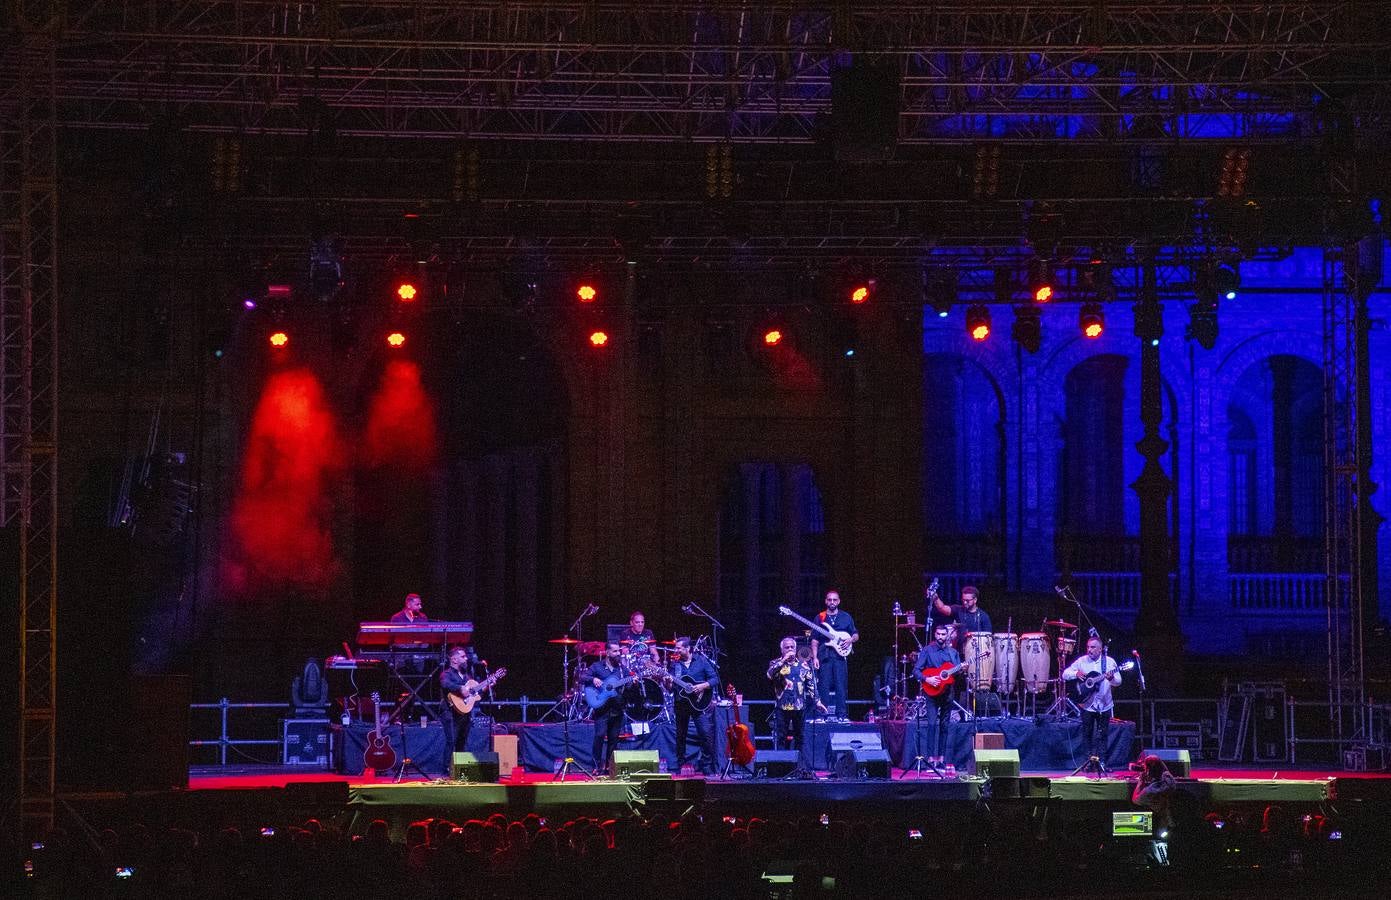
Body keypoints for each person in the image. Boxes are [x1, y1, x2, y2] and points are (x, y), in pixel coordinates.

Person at [1063, 635, 1123, 772]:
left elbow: (1119, 681)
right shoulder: (1082, 661)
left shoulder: (1109, 662)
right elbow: (1065, 674)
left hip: (1104, 705)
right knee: (1087, 734)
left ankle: (1102, 763)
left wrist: (1112, 677)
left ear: (1100, 649)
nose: (1089, 650)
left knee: (1102, 735)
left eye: (1093, 647)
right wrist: (1076, 673)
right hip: (1087, 705)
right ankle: (1088, 763)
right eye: (1088, 647)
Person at [915, 623, 969, 774]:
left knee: (945, 727)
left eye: (943, 634)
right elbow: (916, 671)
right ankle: (930, 760)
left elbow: (956, 673)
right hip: (931, 692)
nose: (940, 637)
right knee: (932, 725)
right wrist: (927, 679)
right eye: (938, 634)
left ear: (947, 636)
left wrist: (962, 669)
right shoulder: (927, 650)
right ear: (934, 635)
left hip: (947, 693)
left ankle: (942, 760)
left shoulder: (953, 652)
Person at [665, 637, 717, 775]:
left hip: (699, 704)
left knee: (705, 734)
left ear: (688, 648)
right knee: (680, 735)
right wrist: (668, 682)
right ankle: (680, 764)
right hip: (681, 704)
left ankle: (706, 766)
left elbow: (714, 679)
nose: (675, 650)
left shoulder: (701, 661)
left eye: (679, 648)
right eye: (675, 648)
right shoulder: (674, 665)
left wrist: (701, 686)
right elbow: (670, 689)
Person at [768, 637, 820, 759]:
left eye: (792, 647)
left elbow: (811, 685)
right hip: (782, 706)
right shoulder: (775, 663)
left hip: (799, 706)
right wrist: (783, 660)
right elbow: (769, 675)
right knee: (781, 737)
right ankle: (782, 765)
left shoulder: (804, 665)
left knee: (800, 737)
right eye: (787, 647)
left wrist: (817, 702)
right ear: (782, 650)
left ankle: (799, 767)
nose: (790, 649)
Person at [810, 590, 858, 723]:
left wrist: (850, 640)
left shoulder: (846, 617)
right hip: (824, 655)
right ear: (826, 601)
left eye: (834, 600)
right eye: (829, 600)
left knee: (841, 686)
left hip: (840, 657)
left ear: (839, 601)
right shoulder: (820, 617)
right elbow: (814, 640)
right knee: (823, 686)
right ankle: (821, 715)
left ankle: (841, 715)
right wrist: (815, 657)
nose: (832, 602)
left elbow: (855, 634)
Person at [587, 642, 627, 773]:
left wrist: (634, 682)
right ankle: (595, 765)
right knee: (599, 735)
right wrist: (593, 679)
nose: (618, 654)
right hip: (602, 708)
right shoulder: (597, 666)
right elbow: (582, 677)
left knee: (613, 739)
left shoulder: (621, 669)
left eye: (619, 651)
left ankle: (610, 767)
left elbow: (629, 684)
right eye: (615, 651)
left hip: (617, 708)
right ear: (607, 652)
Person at [439, 644, 483, 756]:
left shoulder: (466, 676)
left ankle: (458, 769)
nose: (466, 658)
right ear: (454, 659)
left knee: (461, 742)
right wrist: (460, 688)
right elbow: (445, 684)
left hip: (465, 713)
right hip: (450, 713)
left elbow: (474, 693)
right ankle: (446, 769)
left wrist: (486, 686)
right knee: (451, 741)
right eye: (463, 657)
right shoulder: (447, 674)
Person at [932, 584, 991, 650]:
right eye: (963, 600)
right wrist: (935, 598)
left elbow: (988, 638)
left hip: (976, 651)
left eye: (968, 601)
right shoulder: (958, 610)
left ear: (975, 600)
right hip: (958, 650)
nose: (965, 602)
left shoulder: (983, 616)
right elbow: (942, 608)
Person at [1132, 754, 1179, 833]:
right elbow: (1165, 770)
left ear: (1148, 772)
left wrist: (1141, 781)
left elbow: (1135, 799)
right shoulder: (1170, 782)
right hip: (1177, 824)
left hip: (1164, 828)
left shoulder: (1149, 792)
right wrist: (1154, 762)